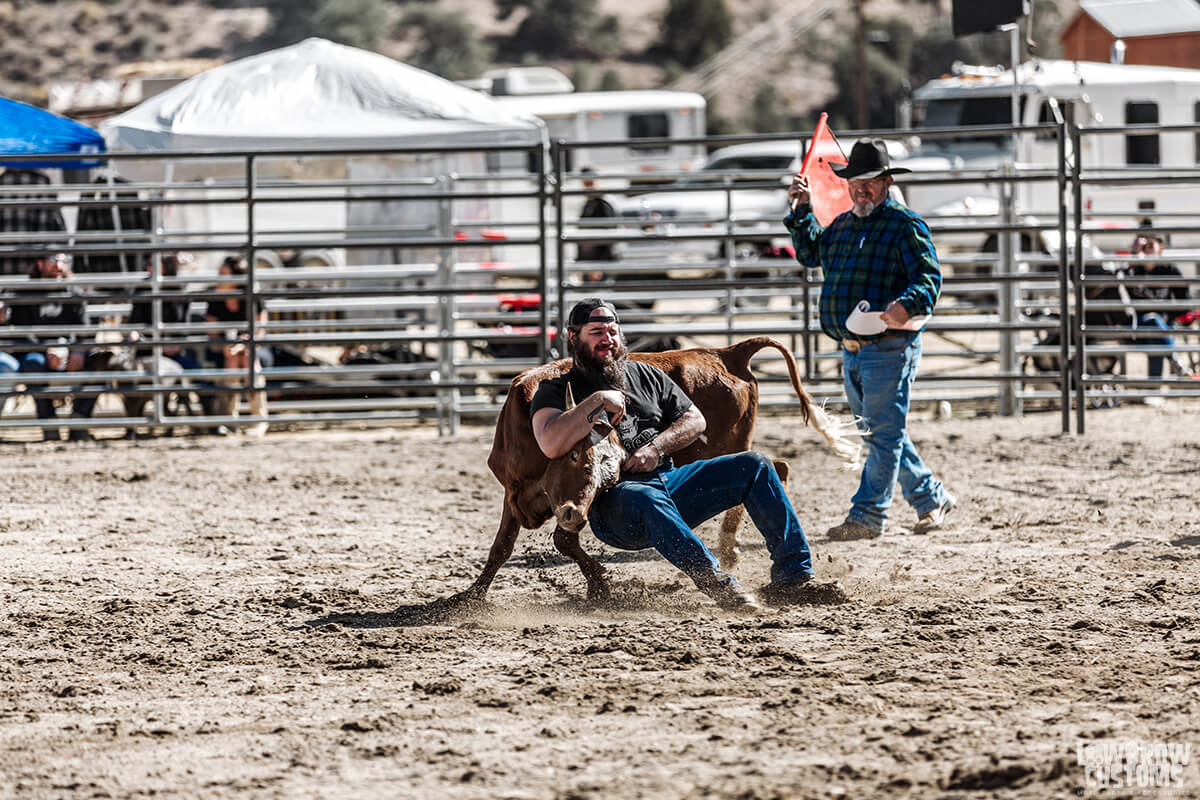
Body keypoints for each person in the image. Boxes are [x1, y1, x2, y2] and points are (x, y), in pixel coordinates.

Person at [528, 297, 848, 611]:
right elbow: (550, 443)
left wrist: (656, 447)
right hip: (616, 504)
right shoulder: (555, 389)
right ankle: (718, 584)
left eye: (612, 331)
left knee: (756, 465)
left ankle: (793, 577)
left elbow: (695, 420)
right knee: (646, 499)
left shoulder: (645, 374)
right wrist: (596, 400)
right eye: (596, 332)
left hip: (671, 480)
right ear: (573, 337)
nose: (607, 339)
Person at [784, 138, 955, 540]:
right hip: (855, 349)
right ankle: (930, 498)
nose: (862, 187)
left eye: (871, 181)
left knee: (882, 433)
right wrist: (802, 209)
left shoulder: (904, 223)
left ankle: (868, 515)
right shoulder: (842, 225)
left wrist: (907, 305)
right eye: (856, 180)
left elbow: (929, 278)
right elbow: (810, 253)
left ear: (887, 182)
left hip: (889, 347)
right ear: (847, 184)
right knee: (884, 432)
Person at [7, 252, 98, 441]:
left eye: (63, 261)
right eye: (53, 260)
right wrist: (45, 349)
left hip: (70, 352)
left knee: (100, 363)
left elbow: (87, 329)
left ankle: (79, 422)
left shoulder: (74, 293)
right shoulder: (25, 293)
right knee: (33, 364)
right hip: (38, 351)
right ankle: (48, 423)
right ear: (40, 264)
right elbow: (21, 331)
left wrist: (77, 350)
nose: (59, 265)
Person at [204, 255, 270, 435]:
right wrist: (227, 347)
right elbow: (213, 334)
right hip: (224, 348)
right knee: (232, 361)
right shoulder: (215, 298)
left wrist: (244, 345)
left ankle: (256, 420)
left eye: (223, 274)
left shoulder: (252, 295)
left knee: (248, 360)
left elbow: (260, 331)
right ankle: (231, 419)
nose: (219, 277)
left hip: (252, 348)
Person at [1124, 226, 1193, 380]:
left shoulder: (1170, 270)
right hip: (1137, 326)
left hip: (1164, 325)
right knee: (1154, 325)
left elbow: (1185, 302)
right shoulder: (1132, 271)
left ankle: (1153, 388)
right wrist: (1134, 258)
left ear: (1160, 248)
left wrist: (1167, 315)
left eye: (1150, 246)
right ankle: (1175, 362)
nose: (1146, 251)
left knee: (1156, 332)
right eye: (1141, 247)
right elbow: (1121, 292)